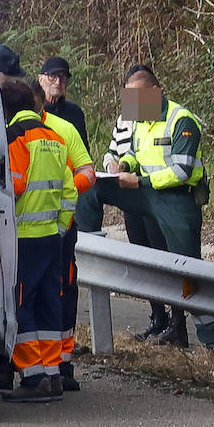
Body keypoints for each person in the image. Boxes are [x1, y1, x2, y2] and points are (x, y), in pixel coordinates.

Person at [94, 65, 214, 349]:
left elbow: (182, 170)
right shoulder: (141, 121)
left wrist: (140, 182)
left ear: (154, 92)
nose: (133, 106)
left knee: (188, 274)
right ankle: (170, 325)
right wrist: (123, 165)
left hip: (179, 201)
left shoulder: (181, 120)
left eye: (137, 98)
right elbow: (135, 154)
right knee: (154, 260)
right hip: (150, 198)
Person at [76, 64, 176, 343]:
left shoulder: (168, 117)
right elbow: (116, 149)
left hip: (156, 198)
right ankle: (158, 317)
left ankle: (176, 321)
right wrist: (113, 163)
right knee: (143, 258)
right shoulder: (128, 116)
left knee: (164, 258)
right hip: (131, 198)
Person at [0, 80, 77, 403]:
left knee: (21, 305)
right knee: (50, 303)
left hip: (23, 239)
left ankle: (33, 377)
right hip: (50, 237)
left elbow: (14, 186)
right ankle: (53, 373)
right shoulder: (55, 138)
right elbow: (70, 192)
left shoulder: (17, 136)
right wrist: (59, 230)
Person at [32, 80, 95, 391]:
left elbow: (87, 173)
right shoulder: (9, 131)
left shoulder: (63, 129)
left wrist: (65, 191)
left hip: (59, 232)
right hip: (22, 234)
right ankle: (27, 368)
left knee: (62, 292)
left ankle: (62, 363)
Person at [39, 56, 88, 150]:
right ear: (40, 79)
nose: (58, 82)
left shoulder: (74, 112)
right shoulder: (31, 110)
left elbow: (84, 151)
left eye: (63, 77)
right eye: (52, 76)